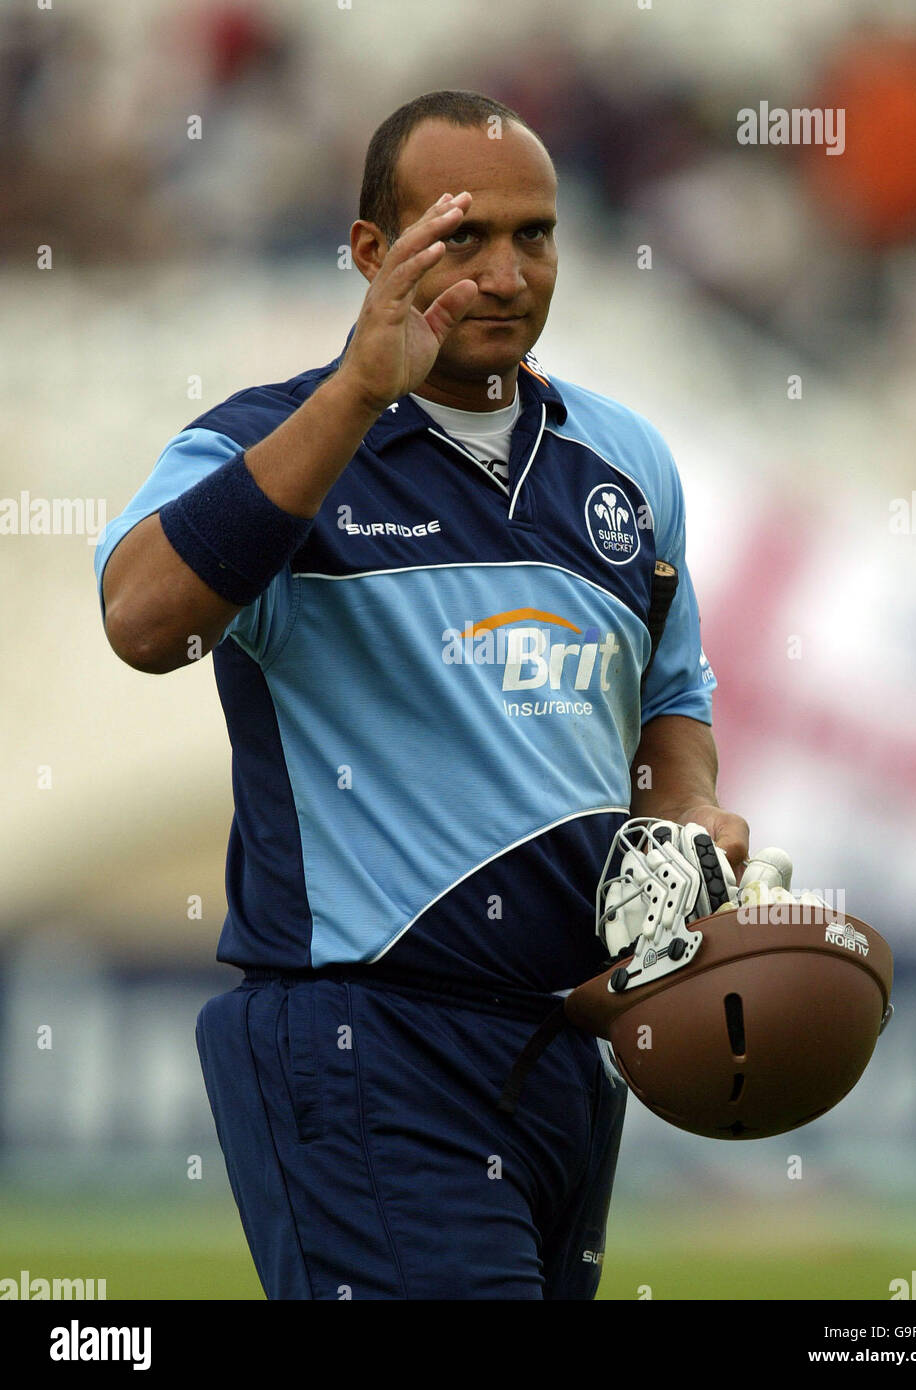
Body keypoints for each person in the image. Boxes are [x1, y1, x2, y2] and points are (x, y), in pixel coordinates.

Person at [94, 89, 749, 1300]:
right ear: (369, 252)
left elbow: (674, 701)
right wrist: (356, 392)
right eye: (462, 236)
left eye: (535, 234)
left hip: (569, 1041)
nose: (506, 272)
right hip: (365, 1036)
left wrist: (692, 812)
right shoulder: (268, 438)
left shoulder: (628, 465)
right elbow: (141, 622)